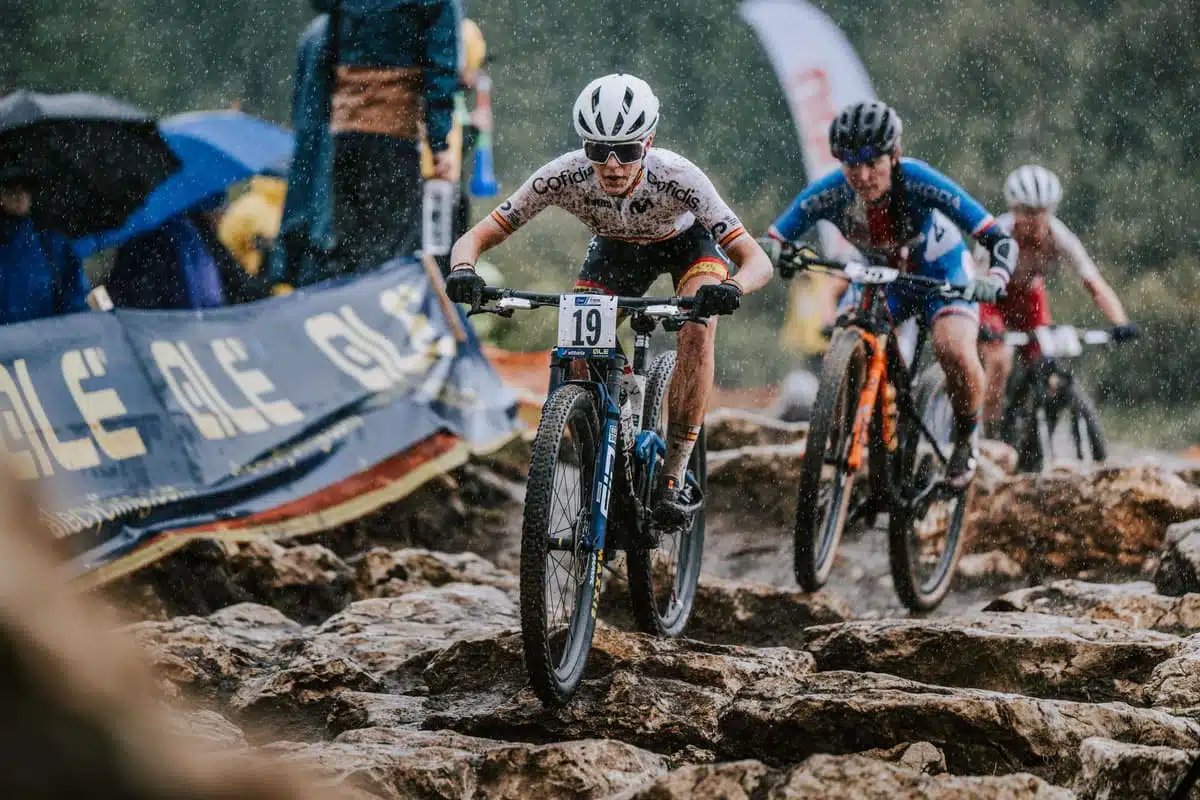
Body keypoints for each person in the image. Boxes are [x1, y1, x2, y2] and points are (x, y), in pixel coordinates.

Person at [445, 74, 775, 543]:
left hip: (685, 245)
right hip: (616, 251)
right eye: (599, 151)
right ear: (585, 146)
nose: (613, 165)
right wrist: (463, 270)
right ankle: (610, 453)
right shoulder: (564, 174)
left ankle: (673, 474)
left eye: (627, 150)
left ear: (649, 143)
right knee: (579, 352)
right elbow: (476, 236)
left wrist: (733, 288)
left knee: (698, 328)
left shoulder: (678, 176)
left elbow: (757, 260)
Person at [762, 100, 1019, 488]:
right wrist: (773, 252)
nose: (863, 176)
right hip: (885, 280)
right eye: (851, 165)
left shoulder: (918, 179)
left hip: (940, 272)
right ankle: (844, 434)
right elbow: (773, 239)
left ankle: (967, 437)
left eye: (873, 163)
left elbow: (998, 238)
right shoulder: (831, 191)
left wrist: (997, 277)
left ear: (894, 154)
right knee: (845, 337)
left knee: (952, 347)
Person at [976, 164, 1138, 435]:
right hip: (991, 295)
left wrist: (1120, 322)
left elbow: (1094, 284)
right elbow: (976, 285)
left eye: (1042, 211)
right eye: (1028, 211)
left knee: (1048, 365)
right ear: (1014, 211)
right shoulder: (997, 235)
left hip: (1030, 297)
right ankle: (988, 434)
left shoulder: (1060, 235)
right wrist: (984, 329)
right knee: (1000, 359)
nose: (1035, 220)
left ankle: (1031, 431)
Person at [316, 0, 461, 275]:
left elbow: (326, 56)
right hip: (394, 136)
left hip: (344, 134)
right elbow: (441, 69)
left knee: (347, 249)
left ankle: (348, 297)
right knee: (390, 252)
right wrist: (439, 143)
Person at [0, 174, 91, 324]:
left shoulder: (53, 246)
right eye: (11, 190)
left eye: (25, 189)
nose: (19, 196)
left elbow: (76, 306)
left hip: (45, 337)